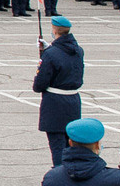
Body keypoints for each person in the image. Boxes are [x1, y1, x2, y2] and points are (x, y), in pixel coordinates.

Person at [31, 15, 85, 166]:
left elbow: (39, 84)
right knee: (70, 145)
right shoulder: (78, 50)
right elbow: (64, 57)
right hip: (73, 102)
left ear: (54, 30)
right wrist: (49, 48)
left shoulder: (52, 54)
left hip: (55, 103)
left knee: (57, 146)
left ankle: (60, 176)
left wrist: (48, 52)